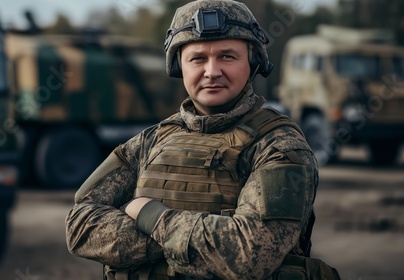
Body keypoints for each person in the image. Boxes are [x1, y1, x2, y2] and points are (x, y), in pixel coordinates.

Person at [66, 0, 340, 279]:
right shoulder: (151, 141)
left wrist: (150, 215)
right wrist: (202, 237)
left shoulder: (278, 145)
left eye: (227, 56)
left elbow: (250, 255)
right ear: (178, 67)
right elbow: (79, 225)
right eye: (197, 58)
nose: (212, 71)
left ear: (254, 61)